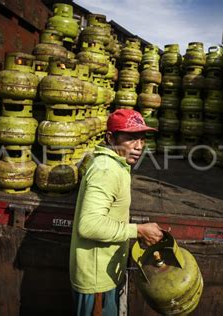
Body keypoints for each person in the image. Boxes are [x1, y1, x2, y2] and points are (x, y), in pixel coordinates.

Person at [69, 109, 163, 316]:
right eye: (130, 138)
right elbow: (89, 225)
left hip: (105, 274)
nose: (139, 146)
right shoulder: (106, 170)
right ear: (110, 137)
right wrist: (137, 230)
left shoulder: (116, 164)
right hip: (97, 282)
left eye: (142, 138)